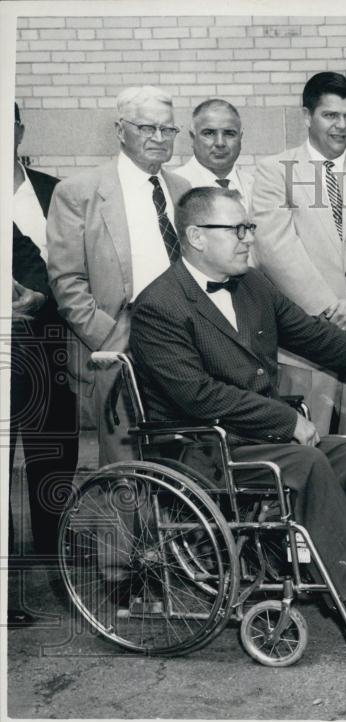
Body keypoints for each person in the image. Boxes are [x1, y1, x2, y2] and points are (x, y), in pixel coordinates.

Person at [129, 187, 346, 639]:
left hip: (258, 439)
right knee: (310, 462)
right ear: (197, 237)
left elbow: (320, 339)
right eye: (236, 229)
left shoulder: (253, 285)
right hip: (202, 448)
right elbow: (199, 396)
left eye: (249, 228)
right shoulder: (158, 307)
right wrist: (285, 421)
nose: (247, 239)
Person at [251, 72, 346, 448]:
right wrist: (329, 311)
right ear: (307, 116)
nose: (341, 126)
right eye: (330, 115)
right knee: (305, 448)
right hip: (305, 334)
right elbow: (275, 249)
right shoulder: (275, 172)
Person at [47, 85, 190, 465]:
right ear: (119, 129)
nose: (159, 139)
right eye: (147, 128)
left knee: (188, 462)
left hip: (186, 345)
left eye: (168, 129)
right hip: (120, 344)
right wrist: (112, 340)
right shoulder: (78, 192)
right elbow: (67, 282)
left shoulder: (184, 190)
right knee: (129, 470)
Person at [8, 104, 80, 596]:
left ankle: (54, 557)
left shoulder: (55, 192)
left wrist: (44, 298)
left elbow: (74, 263)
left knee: (53, 454)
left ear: (17, 131)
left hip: (50, 339)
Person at [173, 99, 253, 210]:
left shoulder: (256, 187)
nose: (220, 143)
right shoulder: (171, 188)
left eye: (229, 133)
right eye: (209, 133)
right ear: (192, 138)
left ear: (241, 137)